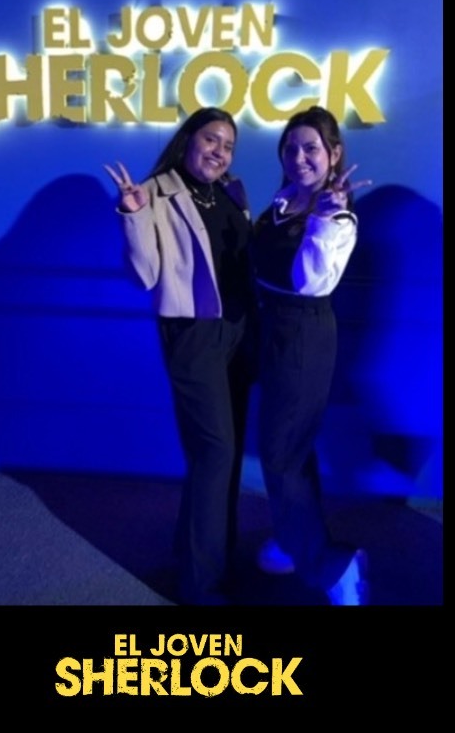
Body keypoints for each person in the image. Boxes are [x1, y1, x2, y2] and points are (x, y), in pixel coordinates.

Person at [104, 107, 257, 605]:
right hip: (193, 336)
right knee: (215, 452)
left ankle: (210, 555)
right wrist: (133, 215)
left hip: (238, 333)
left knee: (225, 454)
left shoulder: (230, 193)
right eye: (211, 139)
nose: (220, 152)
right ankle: (200, 584)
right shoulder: (154, 193)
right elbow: (145, 275)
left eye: (228, 145)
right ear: (188, 139)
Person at [252, 105, 372, 606]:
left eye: (311, 148)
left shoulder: (336, 216)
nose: (298, 158)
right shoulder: (284, 200)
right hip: (274, 332)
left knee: (281, 453)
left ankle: (333, 567)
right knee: (291, 449)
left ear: (334, 154)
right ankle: (293, 534)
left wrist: (323, 219)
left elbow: (308, 282)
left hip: (302, 336)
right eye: (290, 148)